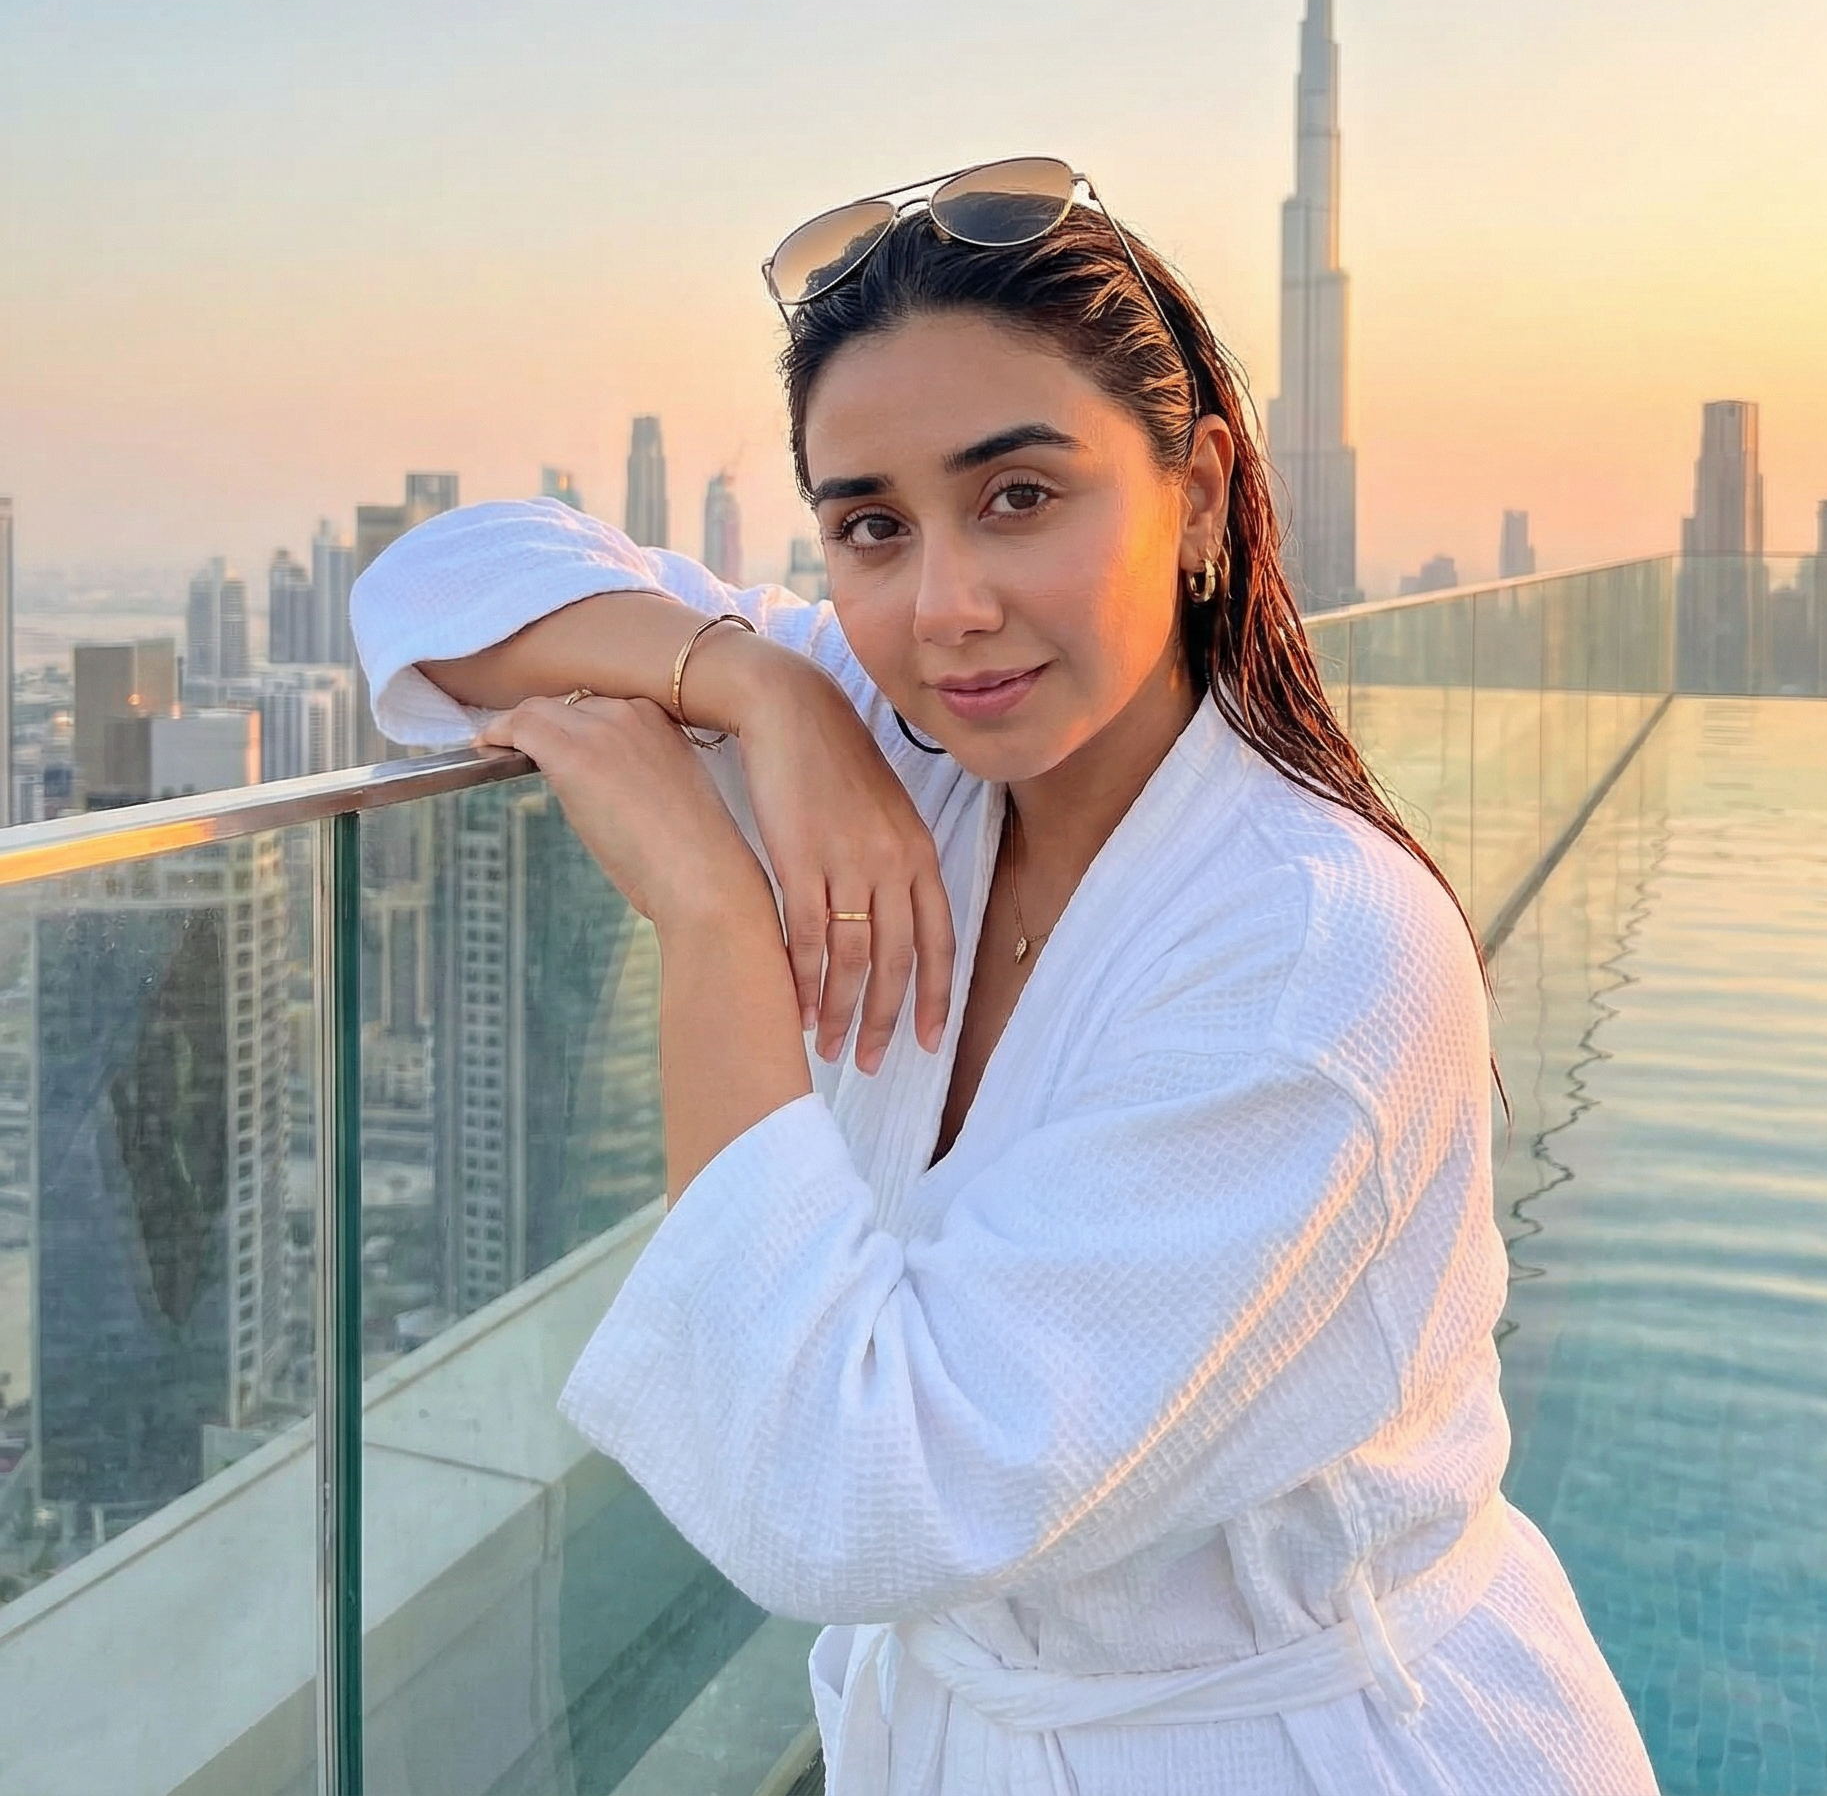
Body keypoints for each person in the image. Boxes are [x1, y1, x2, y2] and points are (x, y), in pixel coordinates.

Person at [351, 157, 1656, 1796]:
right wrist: (760, 688)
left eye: (1021, 497)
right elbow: (433, 586)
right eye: (872, 527)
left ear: (1200, 497)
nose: (945, 608)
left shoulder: (1312, 956)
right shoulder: (909, 746)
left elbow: (848, 1493)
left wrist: (709, 912)